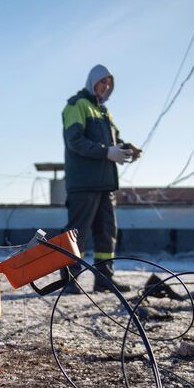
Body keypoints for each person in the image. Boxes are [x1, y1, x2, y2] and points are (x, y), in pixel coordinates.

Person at [61, 64, 141, 294]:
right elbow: (74, 141)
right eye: (102, 81)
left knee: (106, 232)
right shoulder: (77, 105)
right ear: (92, 81)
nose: (106, 86)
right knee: (78, 232)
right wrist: (107, 152)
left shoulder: (105, 112)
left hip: (105, 184)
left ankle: (104, 279)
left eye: (109, 83)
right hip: (83, 183)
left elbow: (114, 142)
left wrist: (126, 149)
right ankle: (68, 279)